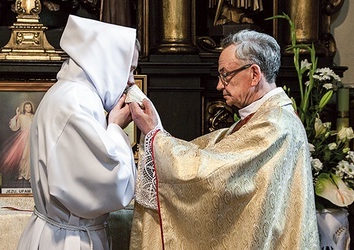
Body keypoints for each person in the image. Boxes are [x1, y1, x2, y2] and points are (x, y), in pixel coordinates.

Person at [129, 29, 320, 249]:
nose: (220, 85)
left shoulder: (274, 124)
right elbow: (210, 150)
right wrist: (158, 133)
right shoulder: (264, 117)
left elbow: (214, 174)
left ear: (254, 74)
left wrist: (156, 137)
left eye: (225, 75)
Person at [17, 15, 138, 250]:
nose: (131, 81)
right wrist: (114, 127)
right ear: (107, 63)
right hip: (68, 240)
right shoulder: (75, 101)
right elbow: (110, 185)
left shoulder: (74, 94)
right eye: (129, 69)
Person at [0, 100, 35, 181]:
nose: (28, 108)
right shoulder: (21, 116)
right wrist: (17, 116)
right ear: (24, 108)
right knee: (23, 156)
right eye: (26, 107)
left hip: (32, 137)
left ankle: (30, 174)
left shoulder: (34, 116)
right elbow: (16, 127)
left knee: (31, 155)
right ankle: (22, 173)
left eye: (29, 107)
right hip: (23, 137)